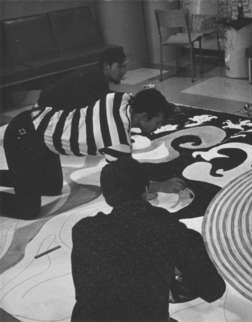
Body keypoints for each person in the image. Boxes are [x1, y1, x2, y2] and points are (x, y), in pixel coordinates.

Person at [70, 156, 226, 322]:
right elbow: (214, 289)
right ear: (146, 190)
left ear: (106, 195)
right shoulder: (168, 229)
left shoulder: (83, 231)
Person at [0, 88, 184, 220]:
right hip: (23, 136)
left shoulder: (122, 98)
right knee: (28, 209)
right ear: (143, 116)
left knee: (51, 187)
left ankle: (21, 176)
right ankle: (21, 177)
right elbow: (126, 177)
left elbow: (145, 97)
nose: (158, 128)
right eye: (158, 122)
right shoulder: (116, 138)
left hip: (43, 134)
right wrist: (160, 185)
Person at [37, 45, 128, 111]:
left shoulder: (97, 76)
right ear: (106, 66)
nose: (124, 71)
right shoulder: (91, 80)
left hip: (49, 102)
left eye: (125, 66)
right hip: (47, 110)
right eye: (120, 67)